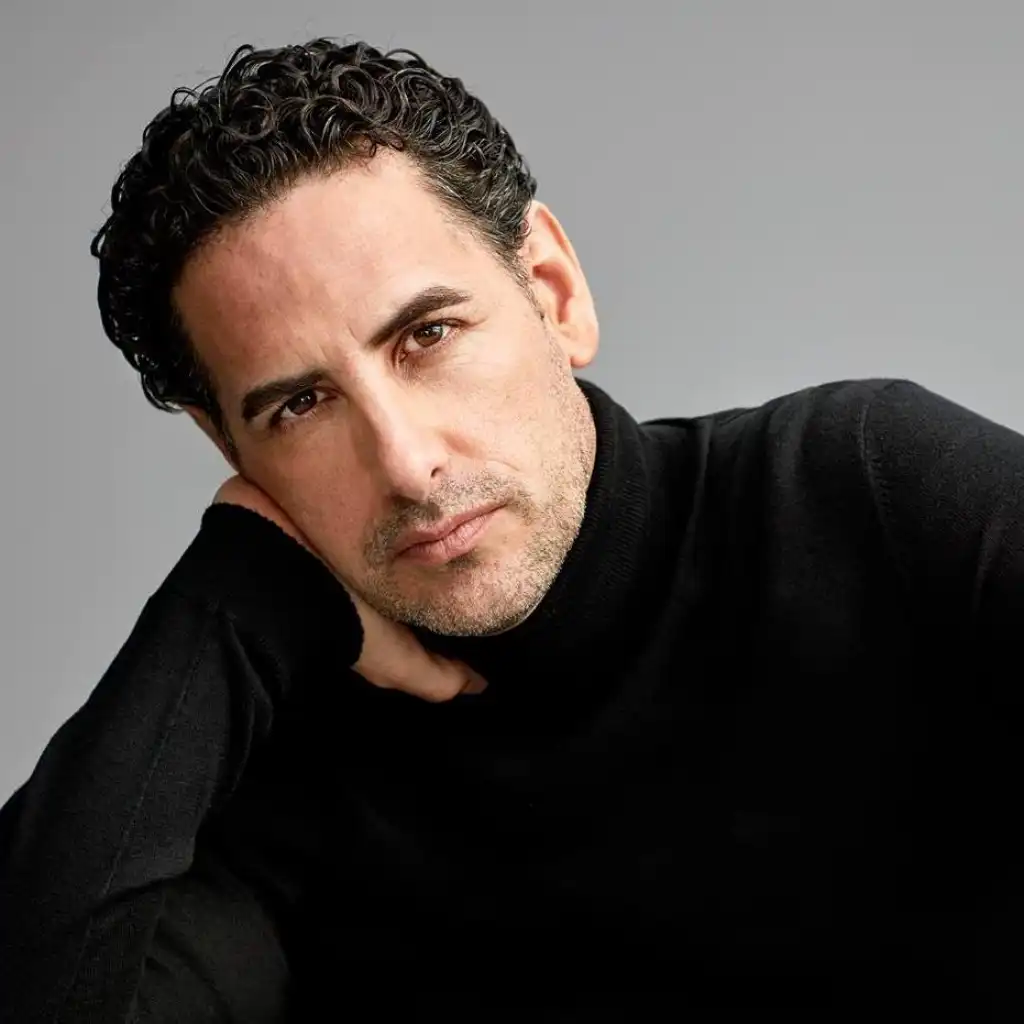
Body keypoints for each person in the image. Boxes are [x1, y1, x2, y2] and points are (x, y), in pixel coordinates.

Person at [0, 36, 1021, 1021]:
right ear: (228, 448)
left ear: (554, 294)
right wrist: (225, 605)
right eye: (299, 406)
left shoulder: (864, 496)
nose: (405, 463)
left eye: (428, 334)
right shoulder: (276, 778)